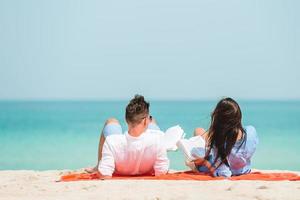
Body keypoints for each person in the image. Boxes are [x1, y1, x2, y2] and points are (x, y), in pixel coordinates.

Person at [86, 95, 169, 179]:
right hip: (146, 167)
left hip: (121, 162)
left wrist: (102, 168)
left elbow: (104, 174)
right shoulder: (158, 139)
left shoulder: (111, 142)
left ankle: (98, 165)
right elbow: (162, 171)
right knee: (153, 123)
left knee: (111, 121)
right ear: (145, 121)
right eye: (149, 118)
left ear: (126, 119)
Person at [191, 97, 258, 177]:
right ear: (238, 115)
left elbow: (224, 173)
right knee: (200, 132)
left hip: (221, 164)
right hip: (244, 170)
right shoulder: (251, 131)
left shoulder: (219, 141)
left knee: (198, 132)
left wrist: (205, 163)